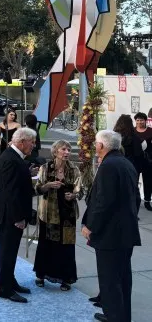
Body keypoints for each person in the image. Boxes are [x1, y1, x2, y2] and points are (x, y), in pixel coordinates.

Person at [82, 130, 141, 322]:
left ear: (101, 146)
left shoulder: (109, 165)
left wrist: (90, 226)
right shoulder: (126, 163)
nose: (94, 147)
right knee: (123, 278)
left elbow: (103, 202)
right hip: (125, 231)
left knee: (110, 280)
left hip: (111, 234)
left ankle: (115, 316)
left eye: (96, 144)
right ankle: (119, 315)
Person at [0, 127, 36, 303]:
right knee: (7, 252)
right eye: (31, 142)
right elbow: (11, 192)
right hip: (11, 216)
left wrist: (28, 173)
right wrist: (18, 217)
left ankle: (10, 281)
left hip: (11, 213)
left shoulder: (14, 157)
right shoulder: (11, 159)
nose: (33, 145)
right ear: (21, 142)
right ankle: (4, 288)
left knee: (10, 252)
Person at [33, 140, 81, 291]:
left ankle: (66, 278)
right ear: (55, 151)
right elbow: (37, 188)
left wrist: (73, 195)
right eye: (63, 149)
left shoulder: (74, 169)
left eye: (68, 149)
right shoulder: (46, 168)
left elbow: (81, 190)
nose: (67, 152)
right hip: (49, 212)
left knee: (66, 246)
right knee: (46, 243)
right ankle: (41, 274)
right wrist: (47, 186)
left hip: (67, 214)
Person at [134, 112, 152, 211]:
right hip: (135, 160)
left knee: (148, 181)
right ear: (135, 121)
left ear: (145, 121)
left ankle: (147, 201)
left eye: (141, 120)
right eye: (137, 120)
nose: (139, 122)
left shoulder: (150, 131)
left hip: (148, 160)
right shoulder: (132, 131)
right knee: (134, 181)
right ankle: (134, 200)